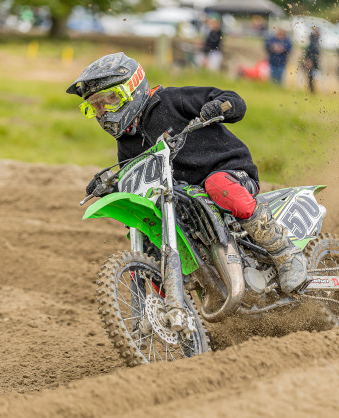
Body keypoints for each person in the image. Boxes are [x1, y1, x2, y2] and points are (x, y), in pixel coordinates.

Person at [67, 52, 307, 295]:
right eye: (95, 106)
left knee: (217, 184)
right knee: (150, 228)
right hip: (182, 196)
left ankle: (285, 253)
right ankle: (170, 304)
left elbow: (234, 101)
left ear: (132, 88)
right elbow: (140, 185)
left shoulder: (172, 100)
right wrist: (112, 186)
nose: (104, 112)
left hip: (228, 173)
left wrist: (217, 107)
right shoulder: (127, 142)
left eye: (109, 100)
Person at [303, 27, 320, 93]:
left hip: (313, 62)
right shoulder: (314, 42)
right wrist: (309, 61)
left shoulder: (316, 41)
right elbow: (311, 53)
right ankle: (311, 90)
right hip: (312, 63)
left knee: (312, 77)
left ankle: (312, 90)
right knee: (311, 77)